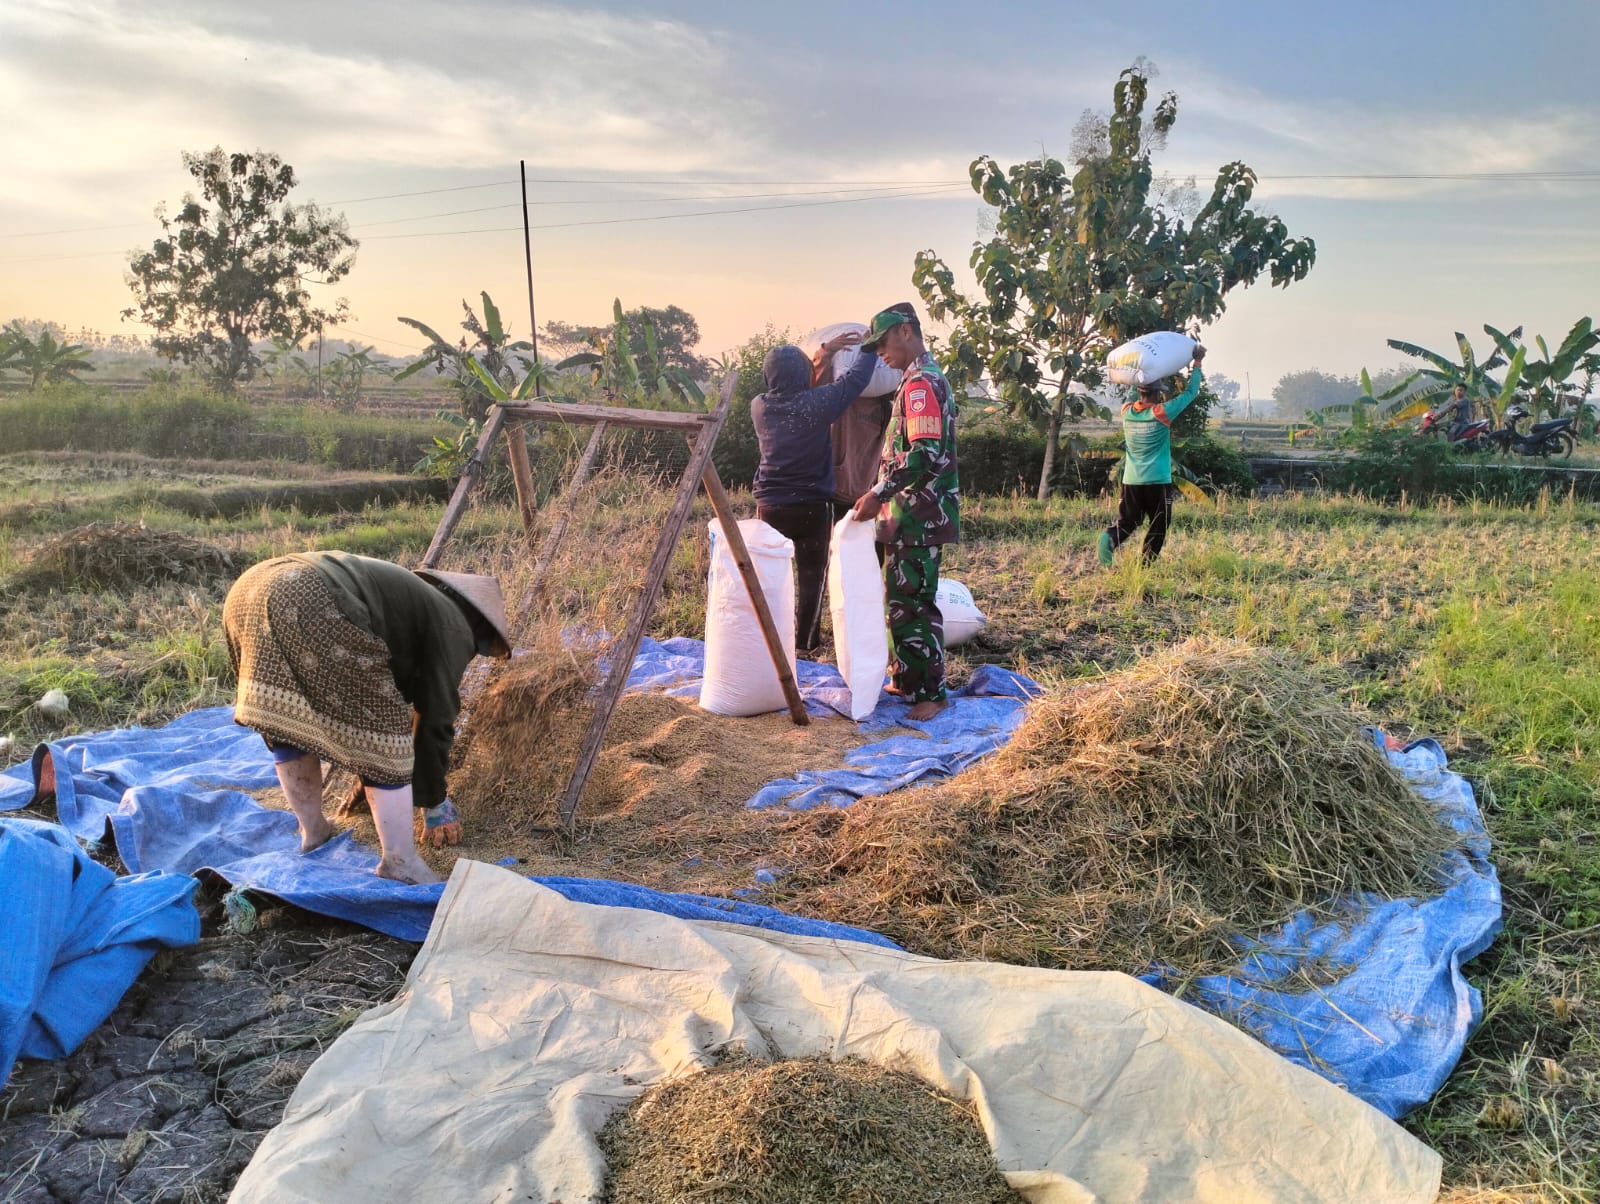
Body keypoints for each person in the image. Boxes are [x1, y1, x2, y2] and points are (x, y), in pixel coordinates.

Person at [222, 551, 512, 885]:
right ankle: (400, 861)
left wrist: (367, 780)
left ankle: (313, 832)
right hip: (310, 594)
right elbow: (435, 716)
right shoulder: (454, 623)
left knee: (290, 717)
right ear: (482, 626)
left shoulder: (413, 601)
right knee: (385, 733)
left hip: (251, 588)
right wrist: (434, 800)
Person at [850, 303, 960, 722]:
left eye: (882, 343)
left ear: (905, 333)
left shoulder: (921, 386)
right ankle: (906, 677)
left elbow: (924, 455)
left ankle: (932, 693)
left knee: (914, 603)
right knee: (899, 600)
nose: (880, 353)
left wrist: (878, 492)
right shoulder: (916, 381)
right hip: (908, 517)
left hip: (920, 515)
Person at [751, 333, 884, 656]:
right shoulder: (817, 404)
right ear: (803, 376)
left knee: (769, 576)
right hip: (812, 507)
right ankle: (805, 644)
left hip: (770, 506)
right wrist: (868, 346)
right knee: (812, 578)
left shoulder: (761, 406)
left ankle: (766, 639)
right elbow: (855, 381)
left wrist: (824, 353)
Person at [1097, 345, 1206, 566]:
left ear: (1139, 391)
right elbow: (1191, 393)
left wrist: (1136, 370)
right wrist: (1197, 362)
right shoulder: (1161, 413)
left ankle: (1108, 539)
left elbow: (1129, 391)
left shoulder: (1126, 412)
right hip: (1157, 480)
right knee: (1159, 524)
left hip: (1131, 480)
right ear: (1158, 393)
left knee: (1127, 522)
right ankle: (1145, 566)